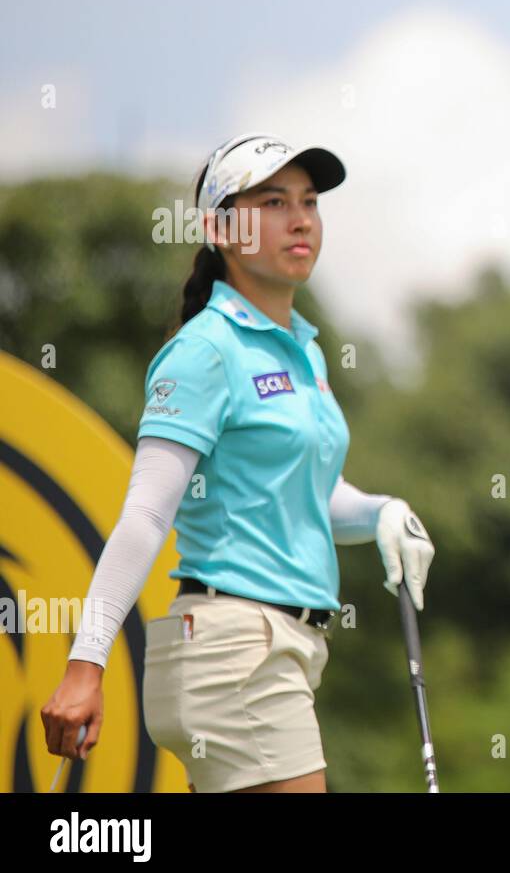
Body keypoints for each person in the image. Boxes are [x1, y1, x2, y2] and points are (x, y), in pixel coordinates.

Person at [41, 133, 436, 793]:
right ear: (219, 228)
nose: (302, 218)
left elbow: (305, 491)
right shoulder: (206, 351)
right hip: (234, 651)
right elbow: (145, 514)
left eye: (309, 202)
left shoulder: (302, 351)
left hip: (282, 651)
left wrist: (379, 512)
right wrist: (87, 663)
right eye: (274, 201)